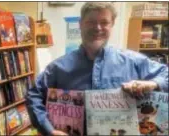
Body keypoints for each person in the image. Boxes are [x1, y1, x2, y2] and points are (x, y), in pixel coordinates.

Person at [25, 2, 168, 136]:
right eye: (91, 22)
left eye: (104, 22)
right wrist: (48, 129)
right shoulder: (57, 67)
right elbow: (33, 95)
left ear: (112, 25)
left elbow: (165, 75)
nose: (97, 28)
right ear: (80, 24)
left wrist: (152, 83)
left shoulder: (134, 61)